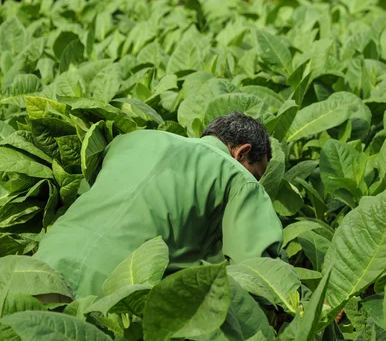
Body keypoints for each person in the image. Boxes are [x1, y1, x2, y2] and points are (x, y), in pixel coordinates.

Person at [34, 111, 283, 299]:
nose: (255, 181)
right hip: (114, 290)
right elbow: (258, 273)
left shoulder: (129, 141)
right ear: (241, 152)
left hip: (40, 267)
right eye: (256, 173)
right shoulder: (239, 179)